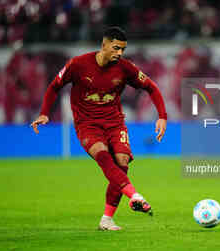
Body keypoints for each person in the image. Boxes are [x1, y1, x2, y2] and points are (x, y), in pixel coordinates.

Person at [30, 27, 167, 231]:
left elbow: (151, 87)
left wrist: (162, 116)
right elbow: (54, 87)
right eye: (116, 48)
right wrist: (44, 112)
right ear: (104, 45)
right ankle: (135, 195)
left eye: (123, 49)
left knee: (122, 163)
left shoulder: (125, 68)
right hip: (87, 124)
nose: (119, 53)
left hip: (115, 123)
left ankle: (107, 220)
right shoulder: (77, 64)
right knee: (102, 155)